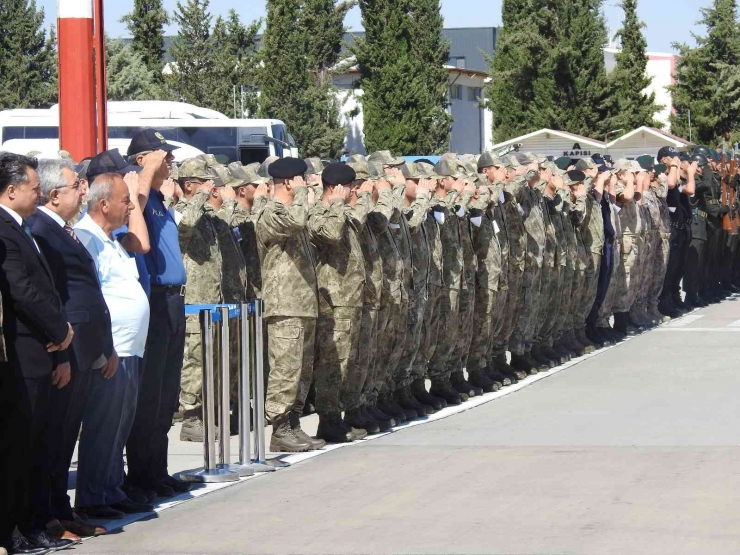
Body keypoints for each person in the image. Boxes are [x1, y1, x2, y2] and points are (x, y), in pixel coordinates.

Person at [27, 159, 113, 539]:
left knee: (66, 436)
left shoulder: (65, 229)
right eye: (76, 184)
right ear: (53, 193)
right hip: (67, 345)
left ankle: (61, 510)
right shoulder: (41, 229)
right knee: (55, 435)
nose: (83, 189)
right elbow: (52, 294)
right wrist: (60, 352)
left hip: (85, 344)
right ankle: (47, 514)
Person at [0, 153, 75, 555]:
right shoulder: (3, 229)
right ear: (11, 191)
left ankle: (28, 525)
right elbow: (21, 290)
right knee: (16, 447)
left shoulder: (21, 228)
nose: (39, 193)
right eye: (32, 187)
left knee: (33, 447)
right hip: (22, 353)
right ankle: (9, 530)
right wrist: (60, 329)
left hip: (41, 351)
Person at [73, 173, 152, 518]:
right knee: (103, 425)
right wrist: (103, 348)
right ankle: (92, 497)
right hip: (112, 350)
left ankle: (110, 488)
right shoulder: (87, 239)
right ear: (104, 204)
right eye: (125, 200)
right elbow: (90, 297)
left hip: (129, 348)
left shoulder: (111, 239)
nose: (130, 206)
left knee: (119, 425)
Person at [125, 129, 192, 497]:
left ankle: (158, 469)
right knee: (150, 392)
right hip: (154, 298)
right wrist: (146, 176)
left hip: (173, 300)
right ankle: (140, 474)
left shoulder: (157, 199)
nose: (169, 161)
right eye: (161, 155)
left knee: (166, 394)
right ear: (141, 160)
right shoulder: (136, 195)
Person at [257, 157, 319, 452]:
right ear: (289, 182)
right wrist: (304, 195)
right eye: (302, 180)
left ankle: (293, 422)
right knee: (285, 368)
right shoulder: (273, 212)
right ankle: (279, 428)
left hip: (303, 303)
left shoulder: (295, 209)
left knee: (301, 369)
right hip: (284, 304)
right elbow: (297, 221)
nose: (306, 185)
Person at [309, 162, 369, 443]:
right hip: (333, 299)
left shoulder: (341, 212)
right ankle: (327, 419)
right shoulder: (319, 213)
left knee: (350, 360)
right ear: (334, 188)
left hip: (351, 297)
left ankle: (345, 412)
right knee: (333, 362)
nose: (352, 193)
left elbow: (362, 220)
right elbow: (331, 235)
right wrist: (335, 203)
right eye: (349, 188)